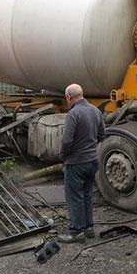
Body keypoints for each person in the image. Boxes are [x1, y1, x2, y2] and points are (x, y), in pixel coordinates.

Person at [57, 83, 105, 244]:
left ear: (69, 97)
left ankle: (76, 231)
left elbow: (66, 141)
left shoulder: (73, 114)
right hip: (92, 161)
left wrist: (63, 155)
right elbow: (102, 134)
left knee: (74, 196)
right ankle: (88, 228)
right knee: (86, 194)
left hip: (76, 162)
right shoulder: (95, 110)